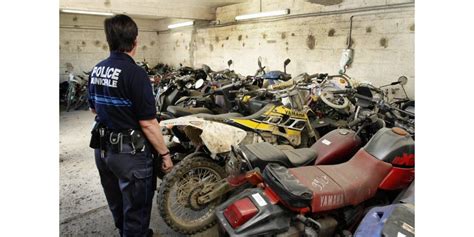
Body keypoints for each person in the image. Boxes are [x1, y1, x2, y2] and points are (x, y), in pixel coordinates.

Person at [87, 14, 173, 237]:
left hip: (102, 151)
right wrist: (165, 154)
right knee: (136, 209)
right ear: (135, 40)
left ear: (109, 40)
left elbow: (93, 109)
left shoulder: (97, 69)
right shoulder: (136, 74)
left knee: (116, 201)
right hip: (130, 156)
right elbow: (147, 123)